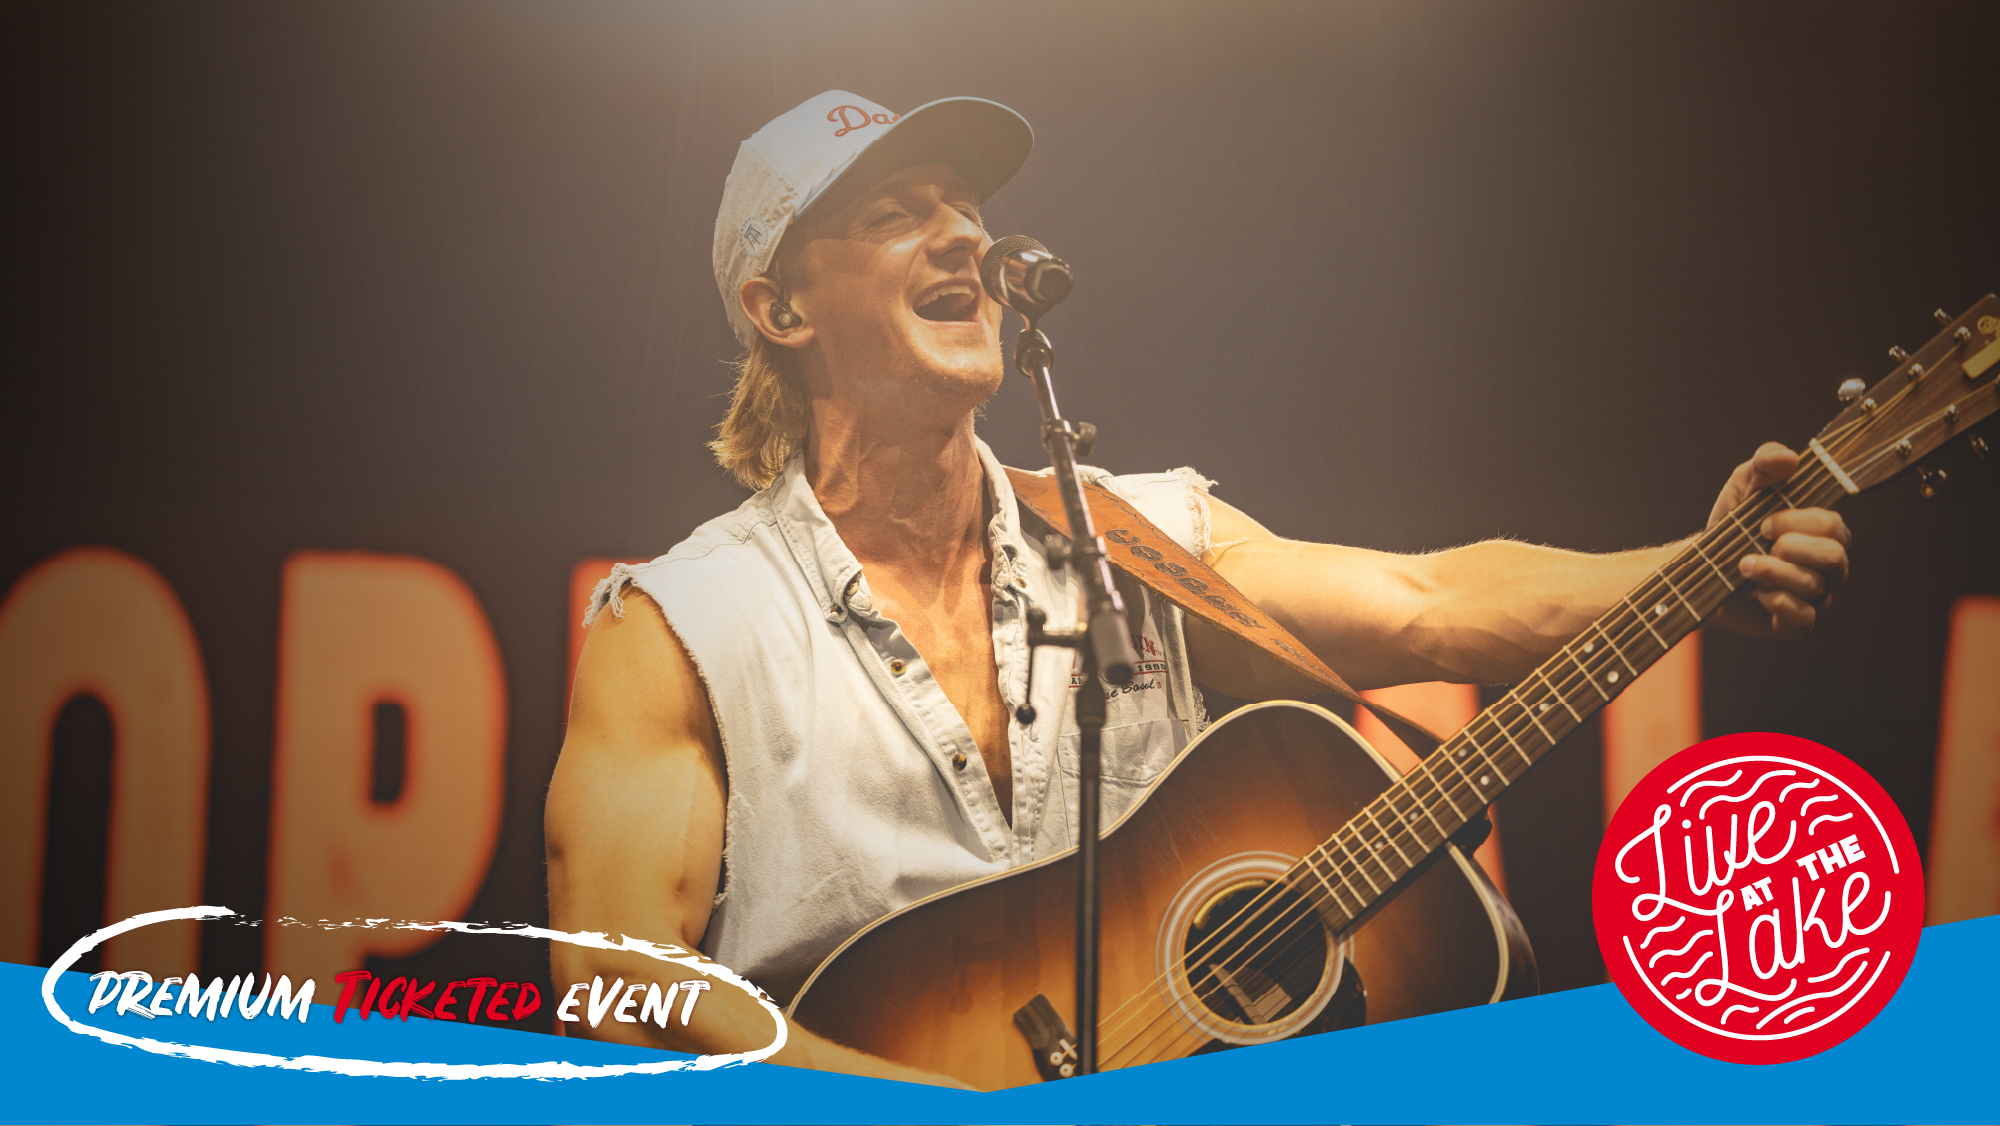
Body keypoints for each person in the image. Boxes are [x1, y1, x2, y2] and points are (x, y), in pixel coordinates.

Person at [543, 91, 1850, 1084]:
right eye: (893, 213)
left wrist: (1691, 561)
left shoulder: (1141, 533)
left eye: (965, 208)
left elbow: (1427, 597)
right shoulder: (683, 628)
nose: (961, 236)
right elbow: (612, 985)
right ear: (781, 310)